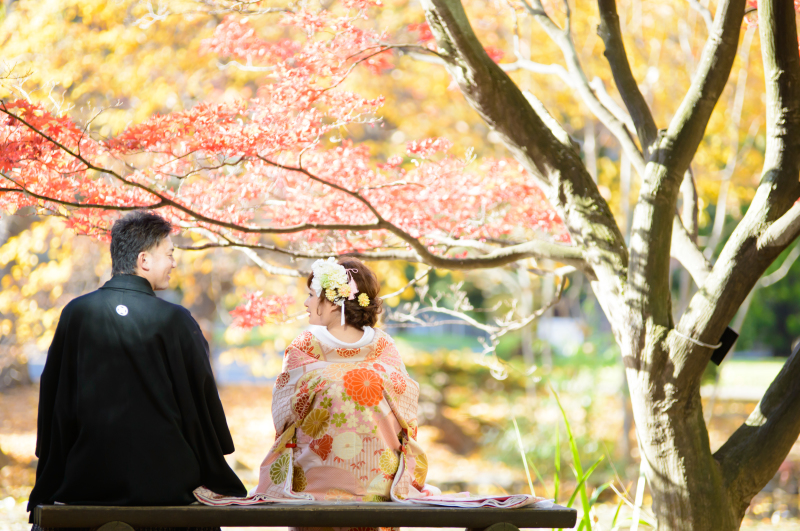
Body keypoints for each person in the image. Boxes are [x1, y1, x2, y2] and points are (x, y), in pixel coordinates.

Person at [28, 211, 246, 524]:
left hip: (87, 478)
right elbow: (200, 401)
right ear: (144, 260)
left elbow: (55, 397)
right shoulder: (175, 320)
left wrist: (54, 463)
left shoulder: (77, 313)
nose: (174, 263)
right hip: (168, 481)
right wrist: (213, 457)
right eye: (169, 254)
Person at [252, 257, 429, 519]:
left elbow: (285, 417)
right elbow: (407, 417)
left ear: (334, 302)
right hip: (377, 488)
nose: (306, 303)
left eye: (311, 295)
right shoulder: (383, 346)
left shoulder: (305, 346)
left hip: (317, 490)